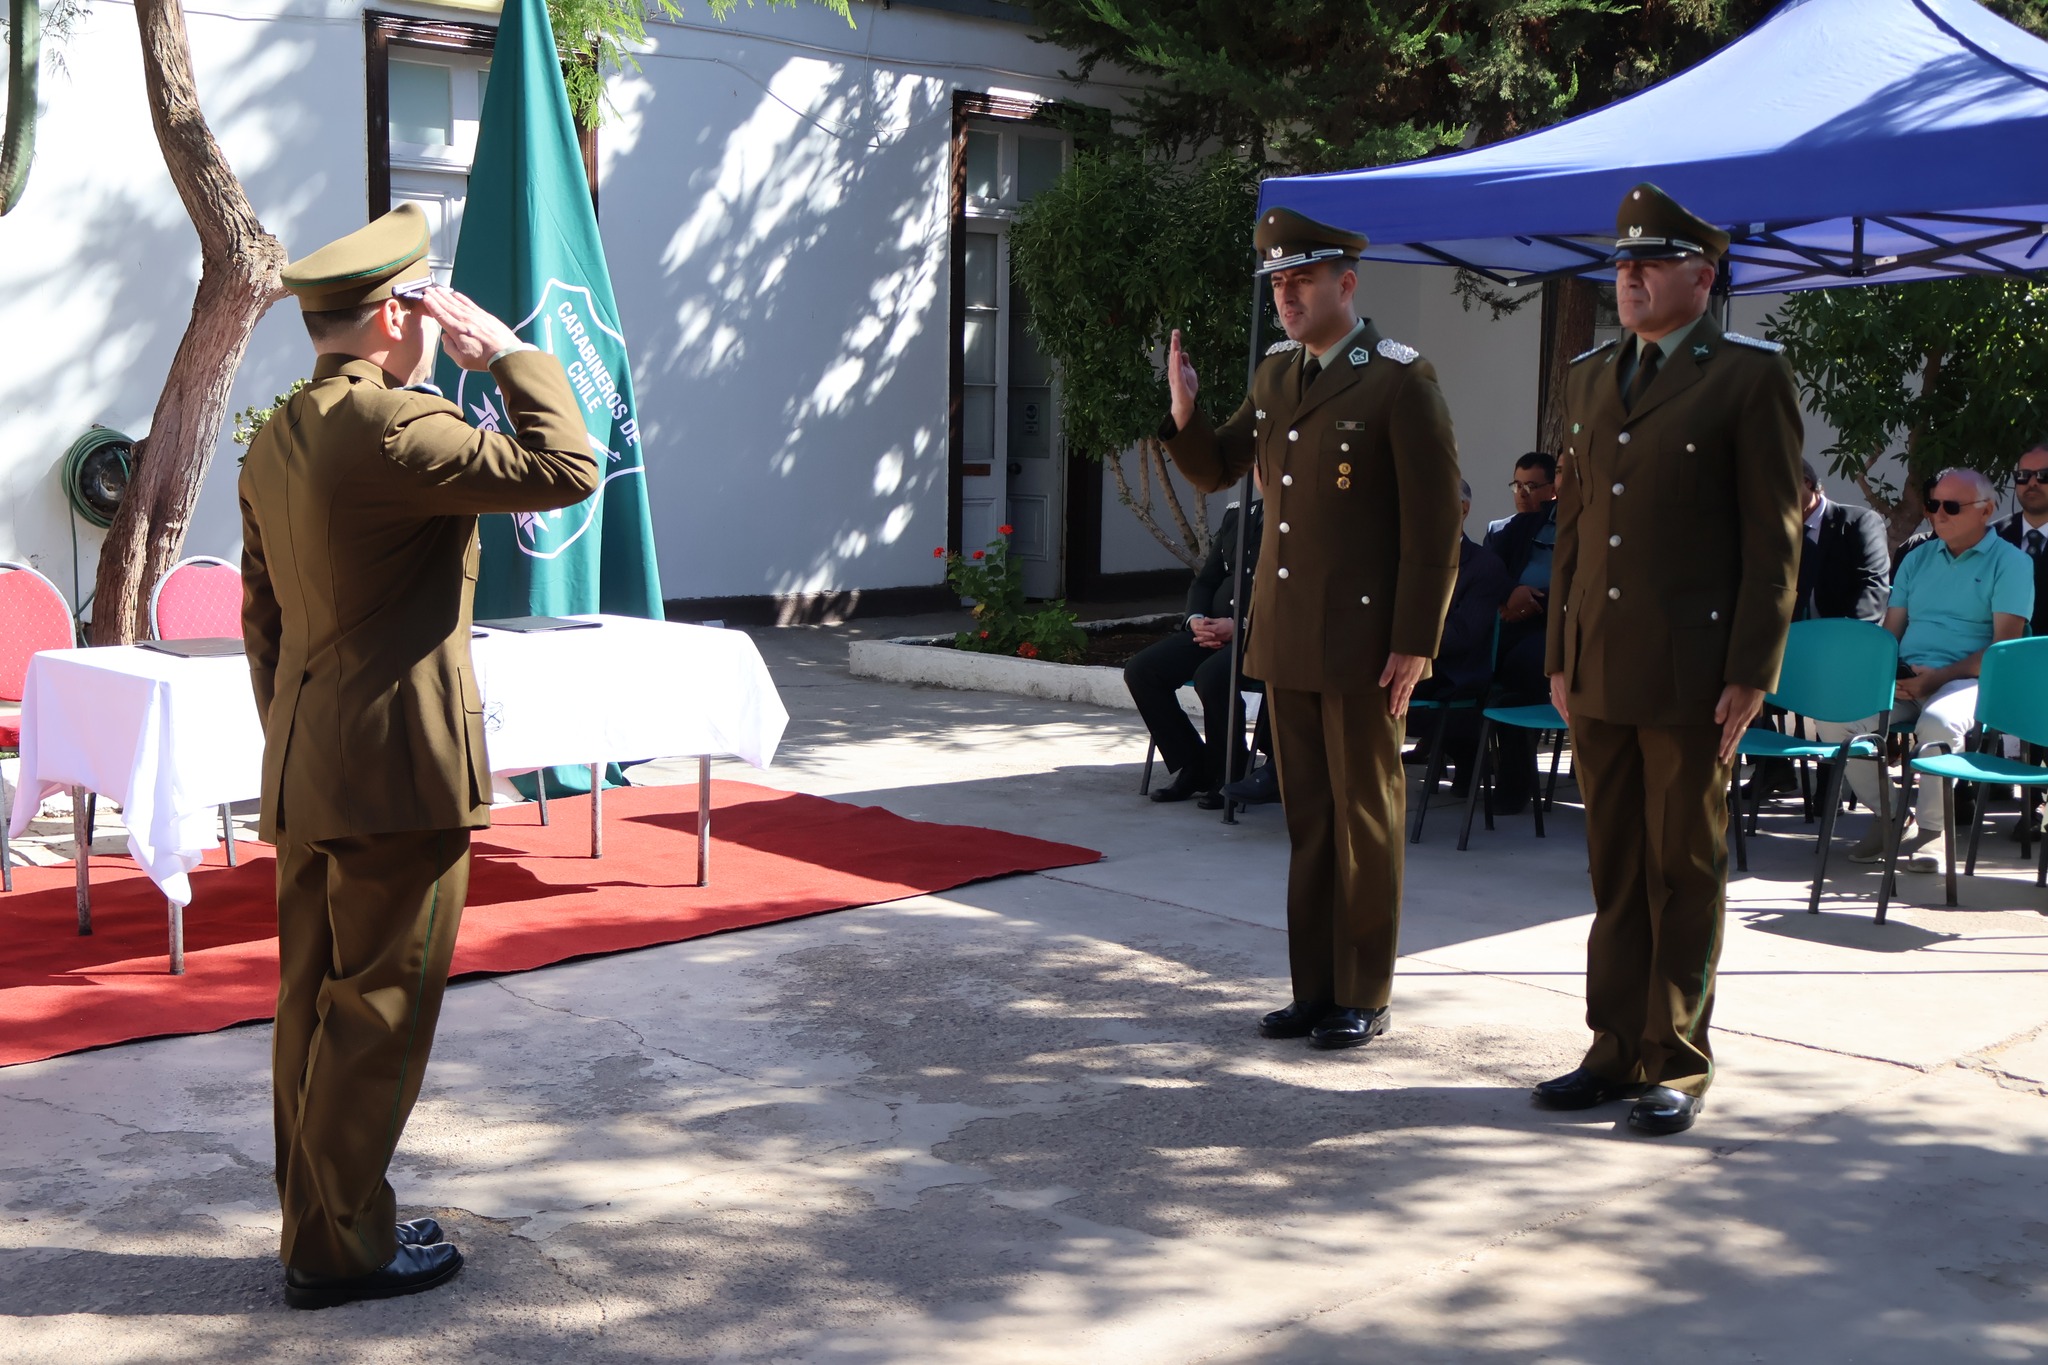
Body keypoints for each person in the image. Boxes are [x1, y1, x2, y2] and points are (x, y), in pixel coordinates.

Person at [241, 204, 600, 1309]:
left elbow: (263, 621)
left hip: (310, 763)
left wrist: (296, 738)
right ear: (395, 315)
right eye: (427, 308)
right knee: (378, 1013)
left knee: (311, 1007)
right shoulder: (396, 427)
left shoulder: (278, 435)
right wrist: (509, 354)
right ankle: (340, 1252)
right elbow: (569, 465)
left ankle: (323, 1222)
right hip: (398, 772)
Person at [1534, 184, 1804, 1137]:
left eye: (1651, 262)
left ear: (1705, 274)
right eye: (1622, 263)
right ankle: (1612, 1049)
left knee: (1681, 869)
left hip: (1695, 674)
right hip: (1600, 665)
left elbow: (1772, 538)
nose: (1631, 277)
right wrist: (1561, 652)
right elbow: (1575, 530)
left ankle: (1676, 1059)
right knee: (1613, 868)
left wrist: (1752, 669)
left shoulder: (1746, 377)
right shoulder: (1590, 376)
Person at [1158, 206, 1462, 1050]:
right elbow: (1218, 466)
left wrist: (1417, 639)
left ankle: (1363, 992)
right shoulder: (1276, 374)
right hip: (1288, 636)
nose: (1287, 298)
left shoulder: (1399, 379)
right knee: (1310, 821)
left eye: (1303, 281)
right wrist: (1185, 410)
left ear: (1346, 284)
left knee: (1365, 819)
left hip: (1366, 646)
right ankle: (1314, 989)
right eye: (1279, 284)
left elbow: (1436, 524)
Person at [1817, 467, 2033, 873]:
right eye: (1933, 504)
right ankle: (1891, 816)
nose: (1938, 514)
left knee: (1937, 723)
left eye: (1951, 506)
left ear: (1986, 510)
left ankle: (1934, 831)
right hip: (1909, 678)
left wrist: (1936, 678)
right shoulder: (1917, 558)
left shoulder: (2012, 563)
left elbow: (2002, 650)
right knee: (1835, 716)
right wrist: (1890, 674)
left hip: (1970, 681)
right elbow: (1891, 633)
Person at [1745, 460, 1892, 799]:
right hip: (1788, 645)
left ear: (1808, 484)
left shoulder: (1857, 522)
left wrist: (1846, 642)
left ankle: (1831, 784)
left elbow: (1873, 586)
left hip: (1840, 645)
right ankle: (1773, 768)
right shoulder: (1771, 533)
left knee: (1829, 680)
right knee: (1740, 667)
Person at [1125, 499, 1265, 805]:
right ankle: (1195, 764)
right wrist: (1196, 619)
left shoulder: (1298, 518)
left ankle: (1231, 771)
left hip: (1263, 636)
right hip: (1213, 629)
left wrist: (1242, 626)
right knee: (1142, 670)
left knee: (1212, 676)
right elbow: (1207, 580)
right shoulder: (1239, 513)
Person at [1407, 479, 1511, 789]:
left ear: (1463, 509)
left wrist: (1402, 641)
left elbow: (1463, 634)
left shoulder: (1484, 565)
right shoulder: (1408, 560)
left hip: (1450, 675)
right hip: (1409, 664)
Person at [1483, 452, 1560, 810]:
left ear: (1553, 488)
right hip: (1507, 620)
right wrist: (1508, 596)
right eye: (1517, 485)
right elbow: (1487, 572)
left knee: (1521, 668)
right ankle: (1467, 762)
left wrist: (1532, 601)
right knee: (1465, 656)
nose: (1522, 493)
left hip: (1550, 623)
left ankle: (1515, 782)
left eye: (1532, 486)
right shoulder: (1507, 529)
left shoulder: (1573, 526)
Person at [1993, 441, 2048, 636]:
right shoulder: (1991, 538)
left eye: (2044, 475)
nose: (2032, 483)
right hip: (1999, 649)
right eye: (2023, 476)